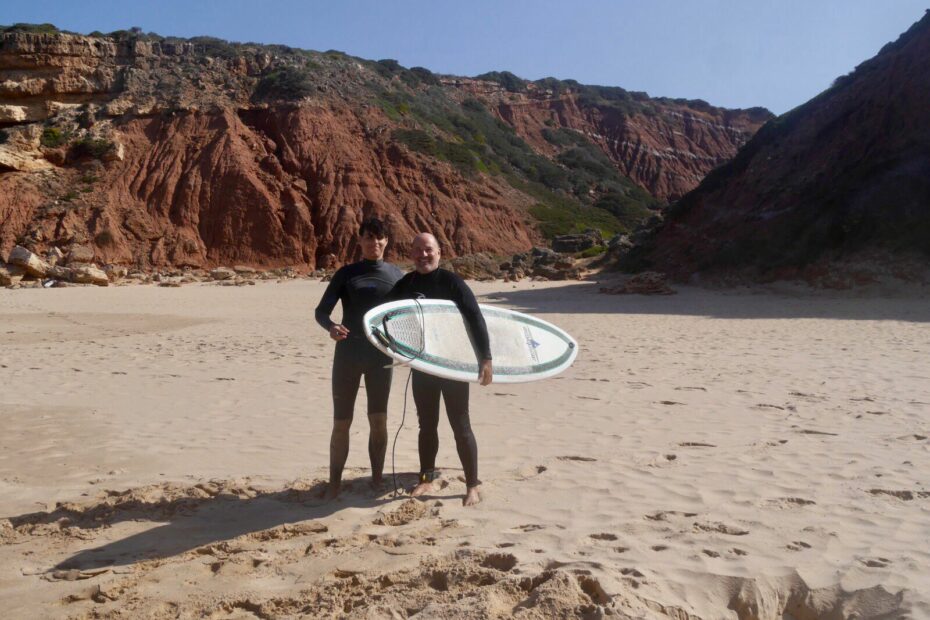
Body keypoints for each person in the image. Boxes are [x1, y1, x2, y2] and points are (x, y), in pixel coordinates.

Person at [387, 233, 492, 506]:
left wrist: (486, 359)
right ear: (412, 254)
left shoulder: (452, 282)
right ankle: (426, 479)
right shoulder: (407, 283)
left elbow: (475, 318)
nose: (423, 255)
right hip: (423, 366)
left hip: (451, 366)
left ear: (439, 252)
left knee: (461, 425)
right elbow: (385, 313)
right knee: (427, 425)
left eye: (429, 250)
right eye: (418, 251)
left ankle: (472, 485)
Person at [314, 217, 404, 501]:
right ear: (360, 240)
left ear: (386, 241)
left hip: (380, 357)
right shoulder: (346, 274)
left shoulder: (397, 276)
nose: (373, 243)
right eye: (368, 237)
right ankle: (335, 484)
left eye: (379, 238)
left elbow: (409, 315)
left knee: (379, 420)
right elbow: (321, 311)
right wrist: (331, 327)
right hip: (348, 355)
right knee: (342, 422)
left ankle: (377, 479)